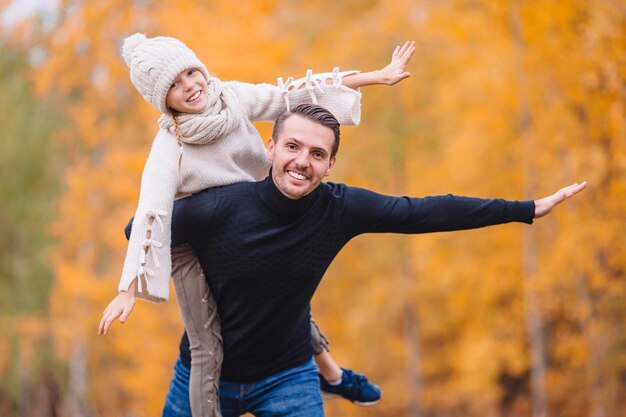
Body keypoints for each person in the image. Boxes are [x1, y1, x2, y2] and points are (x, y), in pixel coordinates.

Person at [144, 103, 586, 417]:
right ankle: (335, 375)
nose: (303, 162)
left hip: (287, 376)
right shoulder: (221, 208)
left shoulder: (339, 209)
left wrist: (525, 209)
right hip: (203, 375)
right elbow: (140, 230)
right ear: (271, 147)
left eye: (318, 154)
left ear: (331, 164)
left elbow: (427, 211)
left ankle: (329, 375)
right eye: (293, 147)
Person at [98, 33, 416, 416]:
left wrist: (373, 77)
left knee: (280, 297)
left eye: (190, 73)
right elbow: (152, 211)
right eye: (174, 85)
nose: (190, 86)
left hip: (254, 218)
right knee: (205, 341)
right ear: (162, 100)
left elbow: (291, 95)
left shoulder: (229, 96)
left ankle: (330, 375)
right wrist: (127, 287)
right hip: (195, 241)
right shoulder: (170, 146)